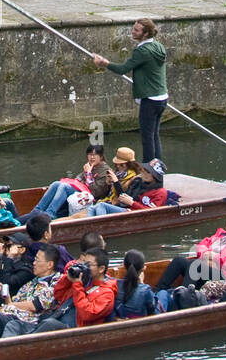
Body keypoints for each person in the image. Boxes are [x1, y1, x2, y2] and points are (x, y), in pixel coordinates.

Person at [93, 18, 168, 164]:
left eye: (136, 30)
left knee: (147, 137)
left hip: (150, 99)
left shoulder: (142, 51)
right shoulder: (159, 46)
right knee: (154, 135)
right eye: (133, 28)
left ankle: (148, 170)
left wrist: (103, 63)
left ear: (145, 34)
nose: (132, 32)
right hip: (162, 98)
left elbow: (123, 69)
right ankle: (157, 168)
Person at [154, 210, 226, 305]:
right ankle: (157, 291)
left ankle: (185, 298)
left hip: (221, 276)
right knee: (179, 261)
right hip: (204, 267)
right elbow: (201, 246)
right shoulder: (221, 235)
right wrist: (207, 256)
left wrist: (213, 257)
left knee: (195, 264)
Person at [24, 143, 111, 221]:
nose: (92, 157)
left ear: (101, 156)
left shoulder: (105, 171)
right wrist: (85, 174)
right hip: (81, 192)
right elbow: (78, 179)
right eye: (90, 154)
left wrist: (88, 173)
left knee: (64, 187)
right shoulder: (90, 166)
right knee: (56, 184)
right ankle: (36, 211)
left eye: (95, 155)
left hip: (90, 198)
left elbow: (95, 192)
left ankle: (49, 214)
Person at [37, 248, 117, 331]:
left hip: (79, 330)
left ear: (101, 269)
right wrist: (68, 278)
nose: (84, 267)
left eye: (88, 265)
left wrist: (78, 286)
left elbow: (87, 314)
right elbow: (58, 295)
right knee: (38, 319)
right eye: (83, 263)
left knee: (49, 324)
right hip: (60, 319)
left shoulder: (107, 293)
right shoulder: (84, 281)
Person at [77, 147, 140, 216]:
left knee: (101, 205)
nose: (118, 166)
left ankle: (102, 225)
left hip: (121, 206)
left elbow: (124, 198)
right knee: (91, 208)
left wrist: (116, 182)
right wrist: (108, 184)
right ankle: (90, 226)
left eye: (121, 164)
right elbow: (106, 194)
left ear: (128, 164)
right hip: (108, 201)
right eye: (117, 164)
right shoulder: (116, 172)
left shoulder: (135, 179)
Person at [112, 250, 157, 319]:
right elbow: (152, 309)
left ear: (123, 265)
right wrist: (141, 283)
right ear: (143, 268)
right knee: (164, 293)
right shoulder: (145, 290)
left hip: (123, 316)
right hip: (141, 320)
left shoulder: (114, 284)